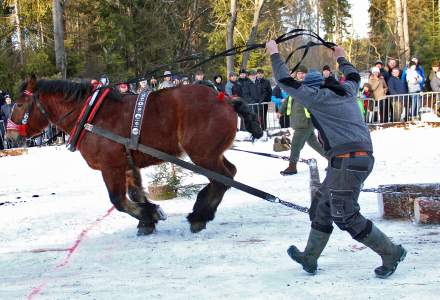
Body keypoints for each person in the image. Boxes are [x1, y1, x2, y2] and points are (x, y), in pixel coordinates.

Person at [266, 40, 406, 279]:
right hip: (350, 159)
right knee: (322, 205)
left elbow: (284, 81)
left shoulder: (317, 97)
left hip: (348, 160)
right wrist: (340, 55)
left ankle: (391, 252)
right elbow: (352, 75)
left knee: (345, 215)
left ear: (312, 89)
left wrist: (274, 53)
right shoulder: (346, 89)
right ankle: (310, 257)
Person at [279, 66, 326, 175]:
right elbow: (288, 99)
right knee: (315, 144)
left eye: (303, 73)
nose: (301, 75)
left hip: (305, 121)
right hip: (298, 120)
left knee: (295, 145)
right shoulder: (295, 86)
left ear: (307, 74)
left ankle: (292, 166)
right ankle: (333, 160)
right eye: (299, 73)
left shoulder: (310, 86)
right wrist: (281, 111)